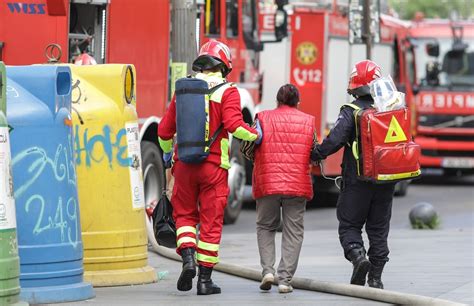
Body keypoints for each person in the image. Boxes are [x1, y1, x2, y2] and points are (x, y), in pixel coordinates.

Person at [158, 40, 262, 295]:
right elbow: (235, 126)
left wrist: (168, 152)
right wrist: (257, 135)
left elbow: (163, 131)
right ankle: (205, 280)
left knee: (184, 217)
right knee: (211, 222)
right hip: (214, 167)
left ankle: (188, 259)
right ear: (224, 67)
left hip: (184, 165)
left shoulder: (183, 91)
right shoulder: (228, 91)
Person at [311, 60, 394, 289]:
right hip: (386, 180)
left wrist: (316, 153)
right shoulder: (391, 110)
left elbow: (335, 140)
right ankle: (375, 278)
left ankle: (358, 258)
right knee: (378, 229)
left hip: (357, 180)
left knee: (349, 225)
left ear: (355, 86)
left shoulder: (352, 111)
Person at [252, 84, 316, 293]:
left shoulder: (261, 117)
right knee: (293, 231)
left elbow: (249, 146)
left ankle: (268, 271)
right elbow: (314, 151)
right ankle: (285, 280)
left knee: (266, 226)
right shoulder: (308, 121)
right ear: (297, 102)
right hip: (296, 183)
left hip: (267, 181)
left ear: (277, 100)